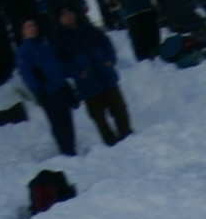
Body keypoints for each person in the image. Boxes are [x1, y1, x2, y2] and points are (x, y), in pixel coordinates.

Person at [52, 9, 132, 146]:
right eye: (64, 15)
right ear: (59, 19)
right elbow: (60, 66)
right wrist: (77, 72)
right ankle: (111, 144)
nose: (69, 16)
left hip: (106, 76)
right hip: (87, 84)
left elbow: (107, 45)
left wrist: (109, 60)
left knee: (120, 108)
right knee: (99, 117)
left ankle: (128, 136)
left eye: (70, 13)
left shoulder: (90, 29)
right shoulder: (60, 40)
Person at [14, 17, 82, 156]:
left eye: (33, 25)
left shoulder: (45, 44)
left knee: (67, 119)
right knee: (57, 123)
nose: (32, 28)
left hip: (61, 87)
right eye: (28, 26)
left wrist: (68, 76)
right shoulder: (24, 51)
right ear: (23, 31)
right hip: (48, 92)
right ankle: (66, 150)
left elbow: (57, 64)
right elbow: (27, 74)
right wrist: (39, 89)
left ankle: (71, 147)